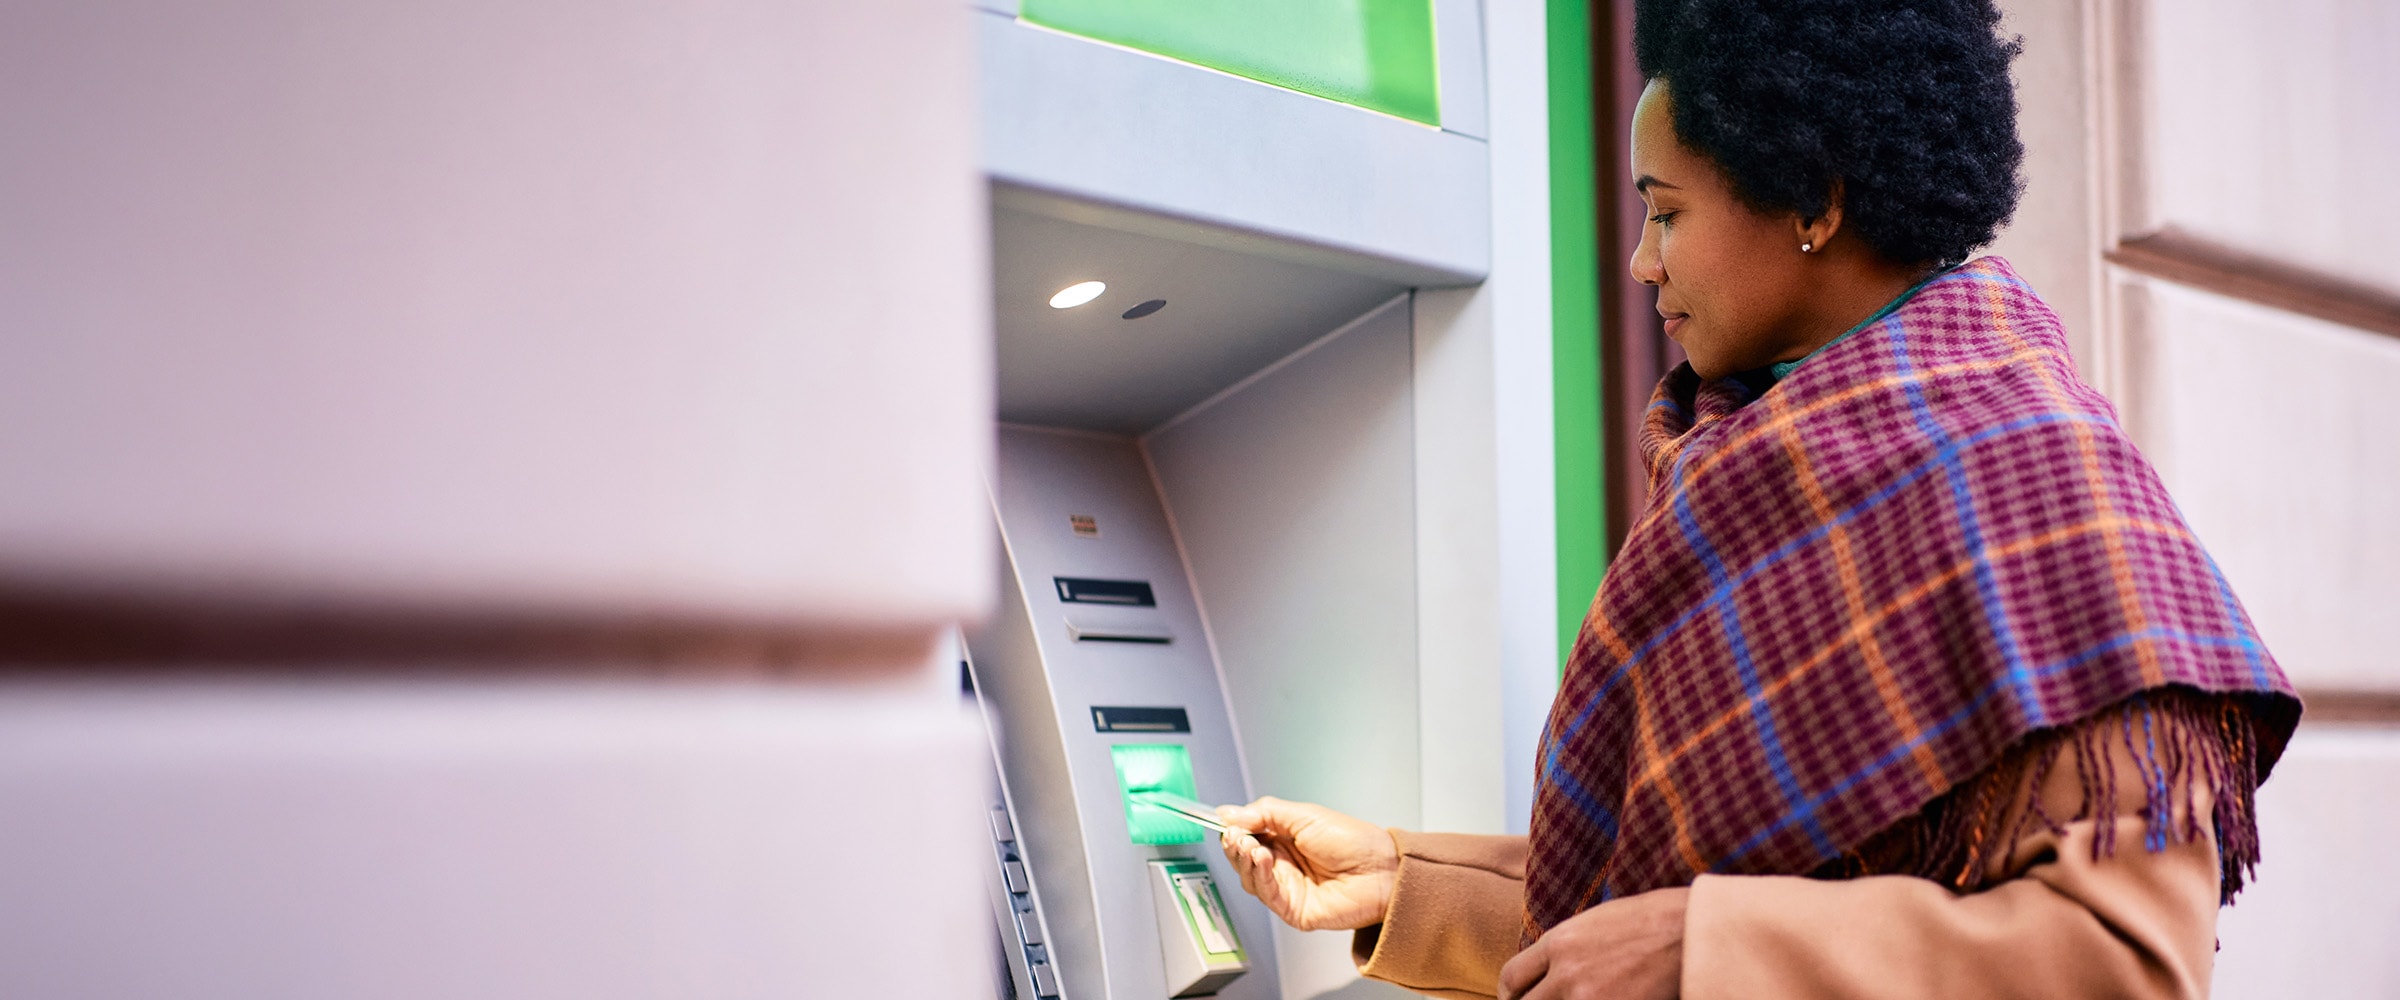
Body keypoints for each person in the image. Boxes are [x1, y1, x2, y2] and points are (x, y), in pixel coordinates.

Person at [1215, 1, 2301, 998]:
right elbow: (1646, 903)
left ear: (1813, 202)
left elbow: (2124, 962)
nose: (1642, 261)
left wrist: (1705, 949)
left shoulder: (2035, 477)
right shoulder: (1749, 472)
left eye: (1667, 212)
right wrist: (1401, 880)